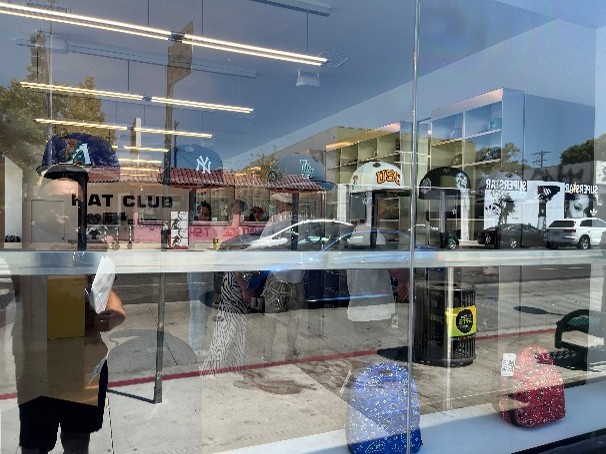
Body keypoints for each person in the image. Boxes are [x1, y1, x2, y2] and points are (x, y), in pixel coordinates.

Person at [202, 198, 251, 374]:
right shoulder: (235, 230)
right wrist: (243, 288)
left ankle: (231, 363)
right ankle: (222, 364)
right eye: (242, 212)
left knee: (233, 325)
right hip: (234, 283)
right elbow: (234, 262)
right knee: (230, 326)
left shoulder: (234, 230)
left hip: (233, 281)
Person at [259, 192, 305, 361]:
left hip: (277, 275)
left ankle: (268, 352)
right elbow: (307, 244)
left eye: (278, 202)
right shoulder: (302, 221)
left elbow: (263, 242)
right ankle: (290, 351)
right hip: (296, 276)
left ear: (284, 203)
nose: (277, 205)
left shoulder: (274, 220)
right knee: (294, 317)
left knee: (271, 316)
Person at [187, 201, 217, 358]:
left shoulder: (212, 231)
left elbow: (214, 250)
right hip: (197, 274)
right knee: (197, 310)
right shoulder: (194, 230)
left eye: (207, 214)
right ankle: (196, 345)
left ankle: (199, 342)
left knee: (206, 310)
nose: (204, 217)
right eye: (202, 214)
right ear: (197, 214)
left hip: (209, 274)